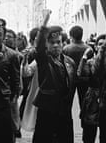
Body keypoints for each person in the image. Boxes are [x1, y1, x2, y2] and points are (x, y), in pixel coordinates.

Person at [32, 11, 76, 143]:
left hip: (64, 111)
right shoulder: (44, 59)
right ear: (46, 44)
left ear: (63, 43)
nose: (56, 45)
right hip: (47, 110)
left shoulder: (69, 62)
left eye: (58, 42)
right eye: (51, 42)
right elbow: (38, 47)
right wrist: (44, 24)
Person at [63, 25, 92, 143]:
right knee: (85, 106)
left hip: (70, 80)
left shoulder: (66, 48)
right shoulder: (88, 48)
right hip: (85, 80)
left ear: (71, 35)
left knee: (67, 106)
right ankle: (87, 133)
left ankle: (67, 134)